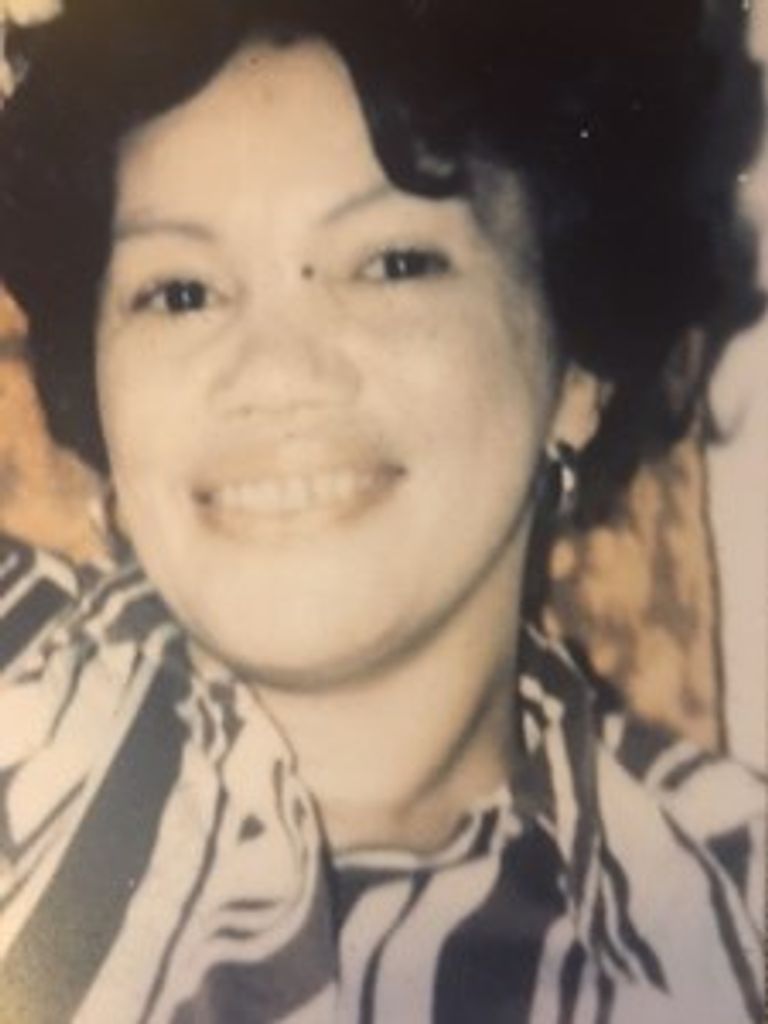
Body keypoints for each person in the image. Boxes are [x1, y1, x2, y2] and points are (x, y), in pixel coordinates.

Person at [0, 1, 764, 1021]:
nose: (274, 372)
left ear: (579, 367)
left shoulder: (731, 917)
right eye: (180, 292)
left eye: (392, 264)